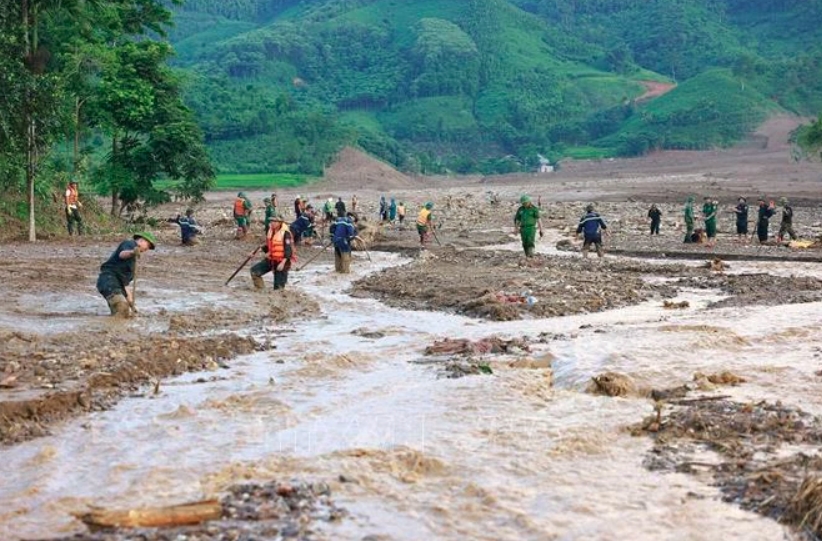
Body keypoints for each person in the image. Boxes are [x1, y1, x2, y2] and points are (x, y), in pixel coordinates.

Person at [96, 232, 156, 317]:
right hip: (109, 280)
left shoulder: (132, 260)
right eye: (148, 245)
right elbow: (122, 254)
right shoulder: (130, 244)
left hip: (116, 284)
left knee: (124, 312)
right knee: (122, 307)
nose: (148, 249)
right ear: (141, 240)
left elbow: (125, 285)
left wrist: (132, 305)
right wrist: (132, 252)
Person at [250, 214, 295, 290]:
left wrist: (283, 263)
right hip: (271, 259)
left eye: (275, 221)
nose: (272, 223)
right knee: (254, 271)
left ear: (280, 222)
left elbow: (288, 250)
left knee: (278, 288)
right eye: (271, 221)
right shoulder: (271, 231)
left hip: (282, 262)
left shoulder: (286, 234)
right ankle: (261, 290)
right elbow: (269, 246)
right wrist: (255, 252)